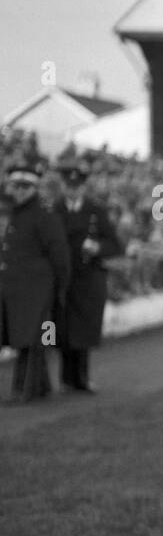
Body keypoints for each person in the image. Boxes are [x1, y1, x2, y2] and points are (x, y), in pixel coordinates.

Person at [0, 159, 70, 403]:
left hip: (38, 292)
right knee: (30, 339)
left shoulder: (43, 215)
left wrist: (60, 287)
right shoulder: (19, 214)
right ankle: (38, 388)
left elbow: (59, 255)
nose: (17, 191)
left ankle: (28, 390)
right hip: (20, 293)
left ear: (33, 188)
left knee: (38, 338)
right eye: (15, 186)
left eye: (23, 187)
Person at [54, 155, 123, 393]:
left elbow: (115, 244)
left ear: (83, 186)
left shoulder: (96, 211)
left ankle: (81, 378)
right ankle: (65, 378)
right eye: (68, 186)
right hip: (62, 279)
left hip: (87, 279)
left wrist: (97, 248)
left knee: (83, 330)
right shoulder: (53, 210)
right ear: (63, 186)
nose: (72, 191)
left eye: (76, 186)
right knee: (59, 330)